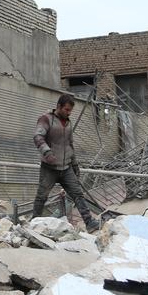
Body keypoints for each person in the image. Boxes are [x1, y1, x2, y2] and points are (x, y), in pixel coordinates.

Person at [32, 93, 99, 231]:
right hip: (49, 168)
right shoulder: (46, 119)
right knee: (42, 196)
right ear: (58, 106)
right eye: (66, 109)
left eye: (70, 110)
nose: (69, 113)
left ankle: (90, 222)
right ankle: (33, 224)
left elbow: (70, 145)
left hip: (66, 168)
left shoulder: (68, 123)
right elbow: (38, 136)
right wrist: (47, 152)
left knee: (78, 194)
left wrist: (74, 164)